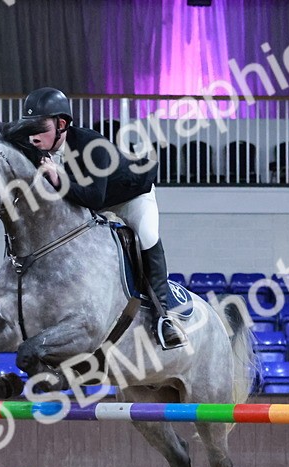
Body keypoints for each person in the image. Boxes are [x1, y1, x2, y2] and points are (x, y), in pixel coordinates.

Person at [19, 87, 185, 350]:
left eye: (39, 127)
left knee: (147, 237)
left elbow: (95, 198)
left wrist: (58, 178)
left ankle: (164, 317)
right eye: (28, 127)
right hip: (92, 202)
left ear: (61, 125)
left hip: (132, 197)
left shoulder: (92, 146)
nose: (32, 136)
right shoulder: (37, 145)